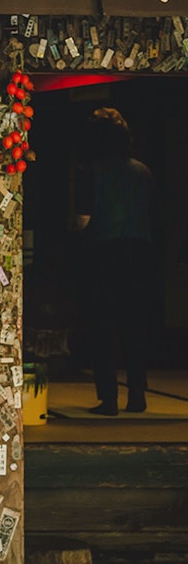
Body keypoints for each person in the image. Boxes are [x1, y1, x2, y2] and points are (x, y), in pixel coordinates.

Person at [74, 108, 156, 415]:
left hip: (102, 254)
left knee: (102, 326)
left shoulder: (89, 170)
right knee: (136, 325)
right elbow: (154, 216)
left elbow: (83, 221)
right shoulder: (143, 171)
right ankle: (137, 394)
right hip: (140, 253)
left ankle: (108, 399)